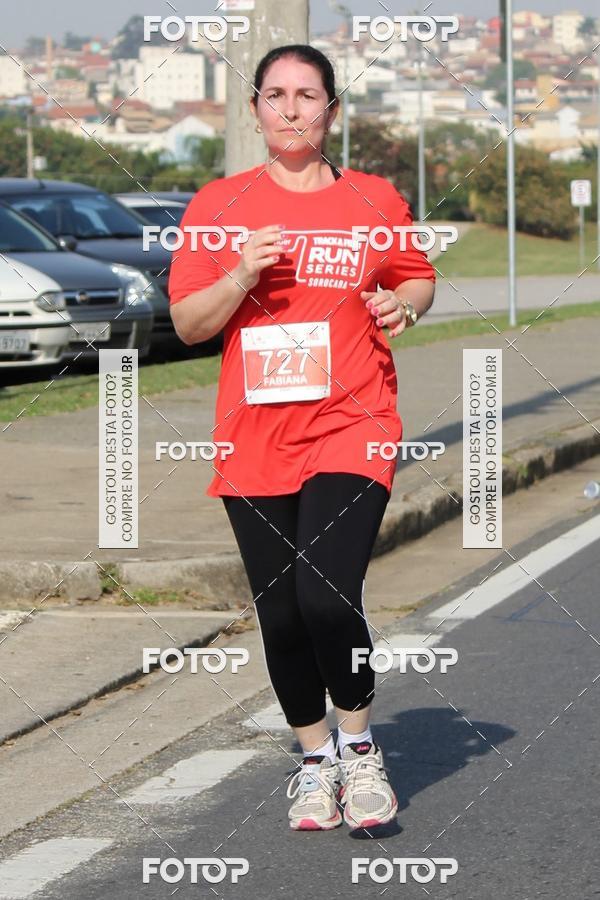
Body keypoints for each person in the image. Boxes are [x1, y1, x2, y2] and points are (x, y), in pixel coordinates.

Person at [168, 44, 436, 831]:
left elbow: (414, 274)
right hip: (254, 434)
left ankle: (359, 746)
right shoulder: (219, 206)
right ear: (255, 110)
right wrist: (240, 275)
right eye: (275, 94)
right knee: (280, 614)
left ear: (332, 111)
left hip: (353, 421)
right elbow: (188, 324)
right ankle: (314, 761)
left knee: (324, 593)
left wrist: (405, 306)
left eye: (307, 95)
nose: (290, 108)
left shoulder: (371, 196)